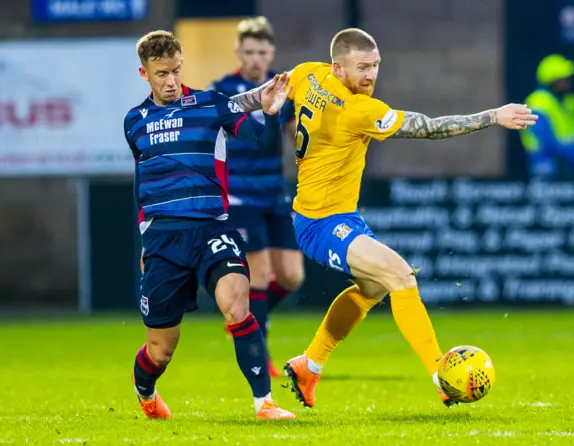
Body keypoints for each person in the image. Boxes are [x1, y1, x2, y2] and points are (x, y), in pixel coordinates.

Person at [231, 28, 537, 408]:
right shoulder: (359, 109)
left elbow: (257, 97)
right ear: (337, 67)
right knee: (400, 275)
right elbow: (429, 128)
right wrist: (492, 116)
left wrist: (227, 109)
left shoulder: (308, 74)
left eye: (375, 66)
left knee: (372, 289)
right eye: (362, 67)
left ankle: (310, 364)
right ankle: (441, 376)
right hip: (320, 222)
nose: (371, 75)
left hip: (338, 216)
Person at [124, 30, 295, 420]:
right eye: (161, 73)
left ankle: (264, 403)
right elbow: (142, 185)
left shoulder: (210, 104)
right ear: (144, 73)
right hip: (164, 240)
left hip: (212, 230)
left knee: (236, 303)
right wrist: (144, 244)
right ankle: (145, 389)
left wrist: (268, 114)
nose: (170, 81)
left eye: (176, 71)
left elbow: (256, 138)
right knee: (161, 349)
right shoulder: (134, 121)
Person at [209, 17, 304, 378]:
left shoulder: (282, 87)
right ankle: (258, 348)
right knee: (260, 273)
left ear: (271, 53)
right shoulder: (224, 91)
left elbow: (297, 136)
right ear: (238, 52)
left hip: (274, 196)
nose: (255, 59)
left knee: (292, 277)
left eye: (261, 52)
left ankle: (244, 318)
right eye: (248, 51)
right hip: (239, 198)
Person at [519, 54, 574, 178]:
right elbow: (545, 140)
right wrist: (571, 154)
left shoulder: (571, 101)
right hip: (546, 162)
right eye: (563, 79)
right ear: (552, 80)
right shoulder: (537, 102)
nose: (567, 82)